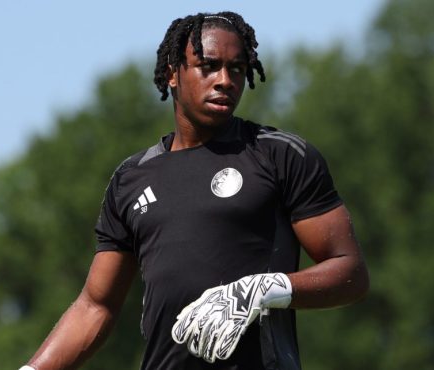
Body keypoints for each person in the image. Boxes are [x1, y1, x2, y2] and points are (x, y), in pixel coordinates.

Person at [19, 11, 369, 370]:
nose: (225, 80)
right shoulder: (130, 179)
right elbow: (96, 306)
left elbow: (351, 273)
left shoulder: (280, 155)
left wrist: (264, 290)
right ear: (173, 74)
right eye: (208, 66)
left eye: (236, 68)